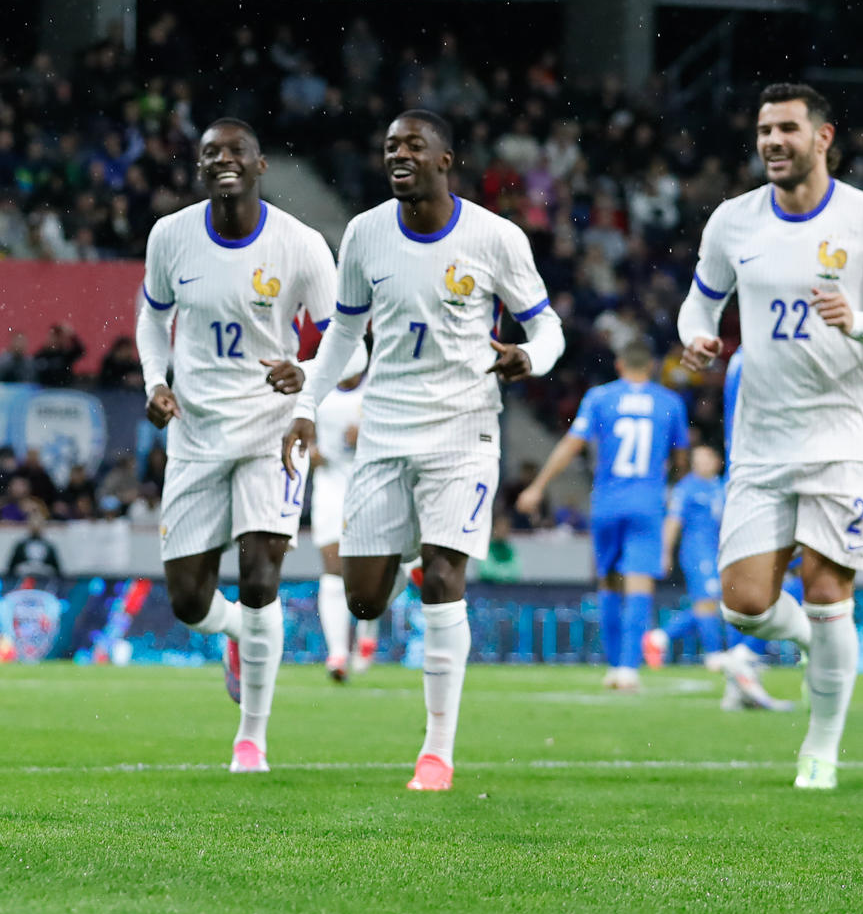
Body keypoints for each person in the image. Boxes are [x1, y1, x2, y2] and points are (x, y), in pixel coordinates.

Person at [286, 110, 565, 792]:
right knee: (362, 603)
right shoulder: (364, 234)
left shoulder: (495, 238)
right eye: (390, 147)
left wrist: (531, 356)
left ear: (447, 160)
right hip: (385, 432)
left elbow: (548, 325)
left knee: (446, 579)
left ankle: (436, 751)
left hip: (463, 429)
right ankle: (410, 558)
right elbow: (344, 337)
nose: (398, 155)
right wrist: (303, 405)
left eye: (414, 145)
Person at [677, 85, 863, 791]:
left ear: (824, 137)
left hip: (843, 439)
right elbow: (698, 303)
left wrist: (862, 322)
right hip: (761, 441)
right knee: (744, 604)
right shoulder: (733, 222)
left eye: (788, 129)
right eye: (764, 129)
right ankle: (803, 646)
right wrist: (695, 338)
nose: (772, 141)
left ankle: (820, 750)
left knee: (829, 593)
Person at [135, 119, 335, 774]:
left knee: (259, 576)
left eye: (236, 152)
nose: (223, 161)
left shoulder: (300, 246)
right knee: (190, 602)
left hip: (271, 432)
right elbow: (151, 318)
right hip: (194, 434)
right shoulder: (171, 236)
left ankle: (252, 738)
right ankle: (232, 639)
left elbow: (343, 336)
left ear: (259, 166)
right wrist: (155, 381)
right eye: (210, 153)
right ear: (200, 168)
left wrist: (305, 373)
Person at [513, 337, 687, 691]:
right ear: (652, 367)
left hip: (608, 501)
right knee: (639, 581)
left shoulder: (600, 397)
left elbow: (571, 444)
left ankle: (612, 664)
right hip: (647, 502)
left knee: (608, 580)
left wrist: (538, 486)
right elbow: (681, 459)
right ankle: (628, 669)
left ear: (620, 365)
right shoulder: (669, 402)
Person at [648, 444, 792, 712]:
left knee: (722, 606)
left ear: (716, 460)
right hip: (696, 552)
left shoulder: (723, 486)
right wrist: (665, 551)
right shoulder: (686, 488)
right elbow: (673, 521)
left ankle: (661, 637)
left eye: (706, 457)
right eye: (697, 458)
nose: (702, 463)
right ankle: (714, 655)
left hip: (721, 552)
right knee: (708, 602)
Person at [311, 337, 380, 682]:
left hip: (371, 487)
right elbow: (297, 429)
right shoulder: (317, 388)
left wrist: (367, 435)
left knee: (366, 571)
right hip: (329, 487)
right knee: (333, 566)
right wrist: (308, 452)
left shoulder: (377, 389)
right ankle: (337, 653)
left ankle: (367, 634)